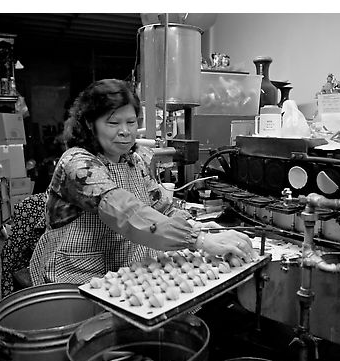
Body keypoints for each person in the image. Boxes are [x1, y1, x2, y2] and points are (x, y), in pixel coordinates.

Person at [29, 79, 255, 285]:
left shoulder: (133, 161)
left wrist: (198, 227)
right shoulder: (77, 164)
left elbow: (162, 207)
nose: (125, 132)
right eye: (113, 122)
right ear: (90, 123)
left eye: (131, 122)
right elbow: (122, 209)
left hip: (121, 270)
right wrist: (198, 239)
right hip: (74, 275)